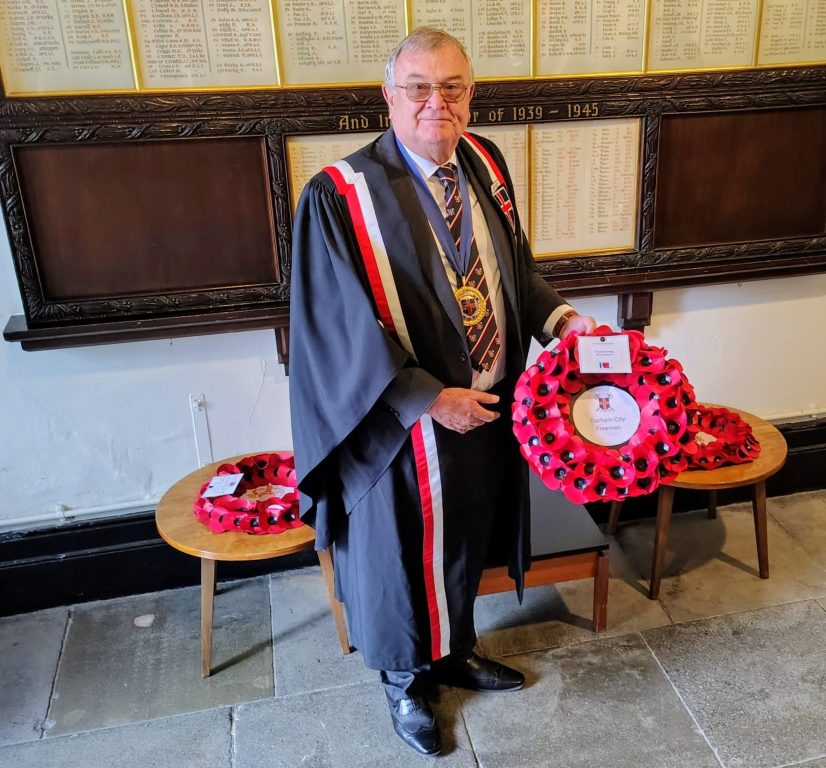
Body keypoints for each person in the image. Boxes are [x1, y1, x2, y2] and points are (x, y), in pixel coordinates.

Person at [288, 27, 596, 756]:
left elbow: (514, 271)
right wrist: (428, 399)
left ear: (471, 93)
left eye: (452, 87)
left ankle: (453, 650)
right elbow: (338, 328)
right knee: (400, 556)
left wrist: (563, 321)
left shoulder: (484, 162)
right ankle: (405, 681)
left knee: (464, 540)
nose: (437, 103)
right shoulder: (339, 196)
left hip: (487, 405)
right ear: (388, 95)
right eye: (419, 88)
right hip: (399, 423)